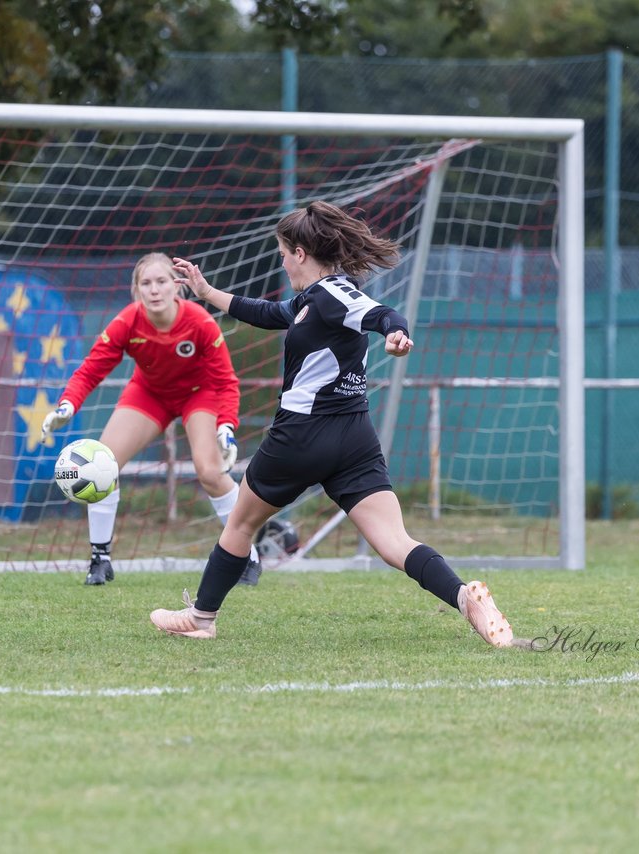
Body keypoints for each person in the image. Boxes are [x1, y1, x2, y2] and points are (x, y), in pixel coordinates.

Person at [149, 200, 514, 648]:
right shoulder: (310, 302)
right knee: (393, 542)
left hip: (301, 435)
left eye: (283, 252)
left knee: (240, 525)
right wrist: (207, 292)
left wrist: (396, 335)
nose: (281, 261)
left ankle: (203, 618)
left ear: (300, 253)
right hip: (353, 437)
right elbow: (269, 314)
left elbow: (381, 314)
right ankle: (463, 597)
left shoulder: (333, 293)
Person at [41, 252, 261, 587]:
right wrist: (66, 405)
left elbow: (226, 382)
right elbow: (90, 370)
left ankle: (247, 557)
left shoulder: (200, 322)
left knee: (210, 472)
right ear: (137, 289)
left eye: (162, 281)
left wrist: (226, 427)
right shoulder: (127, 321)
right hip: (149, 394)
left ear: (177, 287)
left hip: (198, 395)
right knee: (103, 462)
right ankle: (100, 559)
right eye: (146, 283)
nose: (154, 289)